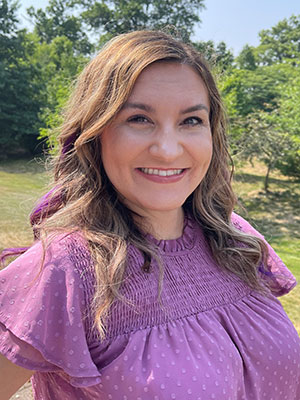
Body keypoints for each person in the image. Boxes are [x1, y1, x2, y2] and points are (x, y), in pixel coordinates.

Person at [0, 30, 299, 400]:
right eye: (139, 119)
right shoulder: (66, 268)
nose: (169, 150)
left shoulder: (234, 237)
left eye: (191, 120)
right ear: (95, 134)